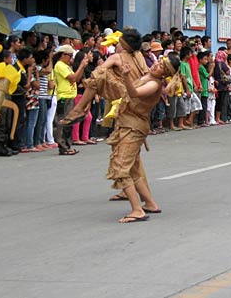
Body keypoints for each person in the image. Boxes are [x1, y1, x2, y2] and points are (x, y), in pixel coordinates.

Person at [108, 54, 181, 223]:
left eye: (161, 66)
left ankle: (137, 210)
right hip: (129, 125)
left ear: (165, 73)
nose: (156, 65)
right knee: (133, 168)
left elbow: (134, 93)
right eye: (158, 61)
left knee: (121, 167)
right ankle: (150, 203)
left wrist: (126, 76)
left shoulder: (154, 84)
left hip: (133, 128)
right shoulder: (148, 76)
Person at [53, 45, 91, 155]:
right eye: (69, 56)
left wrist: (82, 66)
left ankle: (67, 145)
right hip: (64, 96)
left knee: (69, 121)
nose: (71, 59)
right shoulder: (60, 65)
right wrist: (81, 66)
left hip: (70, 95)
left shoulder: (66, 66)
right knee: (64, 122)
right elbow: (73, 78)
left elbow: (77, 78)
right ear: (63, 55)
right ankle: (63, 146)